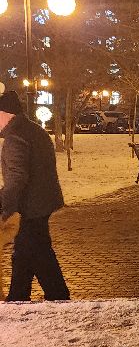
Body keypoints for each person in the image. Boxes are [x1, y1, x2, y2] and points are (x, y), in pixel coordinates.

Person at [0, 89, 70, 301]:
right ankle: (18, 298)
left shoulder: (15, 138)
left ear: (5, 114)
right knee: (25, 254)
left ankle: (57, 297)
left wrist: (3, 205)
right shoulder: (34, 130)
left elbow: (17, 178)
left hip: (30, 207)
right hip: (42, 203)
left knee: (37, 253)